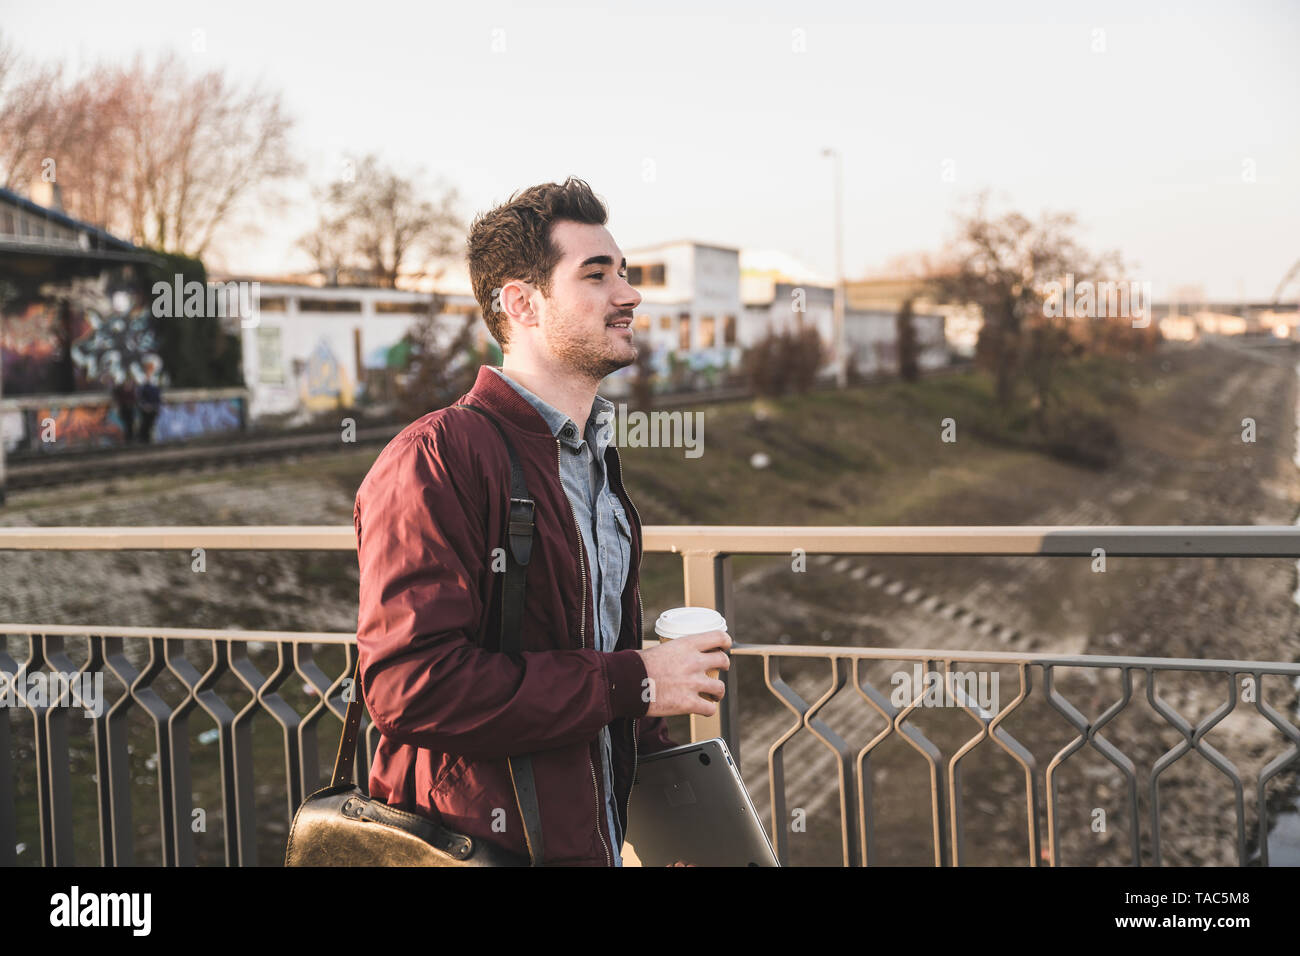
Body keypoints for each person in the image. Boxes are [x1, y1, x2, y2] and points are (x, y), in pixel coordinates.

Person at [354, 178, 730, 866]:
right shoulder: (436, 458)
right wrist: (635, 680)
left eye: (624, 272)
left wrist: (682, 810)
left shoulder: (595, 465)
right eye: (596, 275)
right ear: (522, 303)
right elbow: (410, 687)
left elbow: (589, 658)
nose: (629, 294)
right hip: (476, 851)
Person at [110, 375, 137, 445]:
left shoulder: (131, 391)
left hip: (130, 409)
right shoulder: (120, 390)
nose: (128, 384)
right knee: (125, 425)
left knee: (130, 424)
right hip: (123, 408)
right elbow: (115, 393)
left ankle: (129, 439)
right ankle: (125, 439)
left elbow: (134, 400)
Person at [137, 374, 162, 444]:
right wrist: (145, 406)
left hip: (153, 410)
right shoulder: (142, 388)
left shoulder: (156, 388)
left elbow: (158, 400)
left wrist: (152, 406)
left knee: (152, 424)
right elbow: (140, 399)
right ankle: (143, 440)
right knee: (144, 425)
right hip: (145, 410)